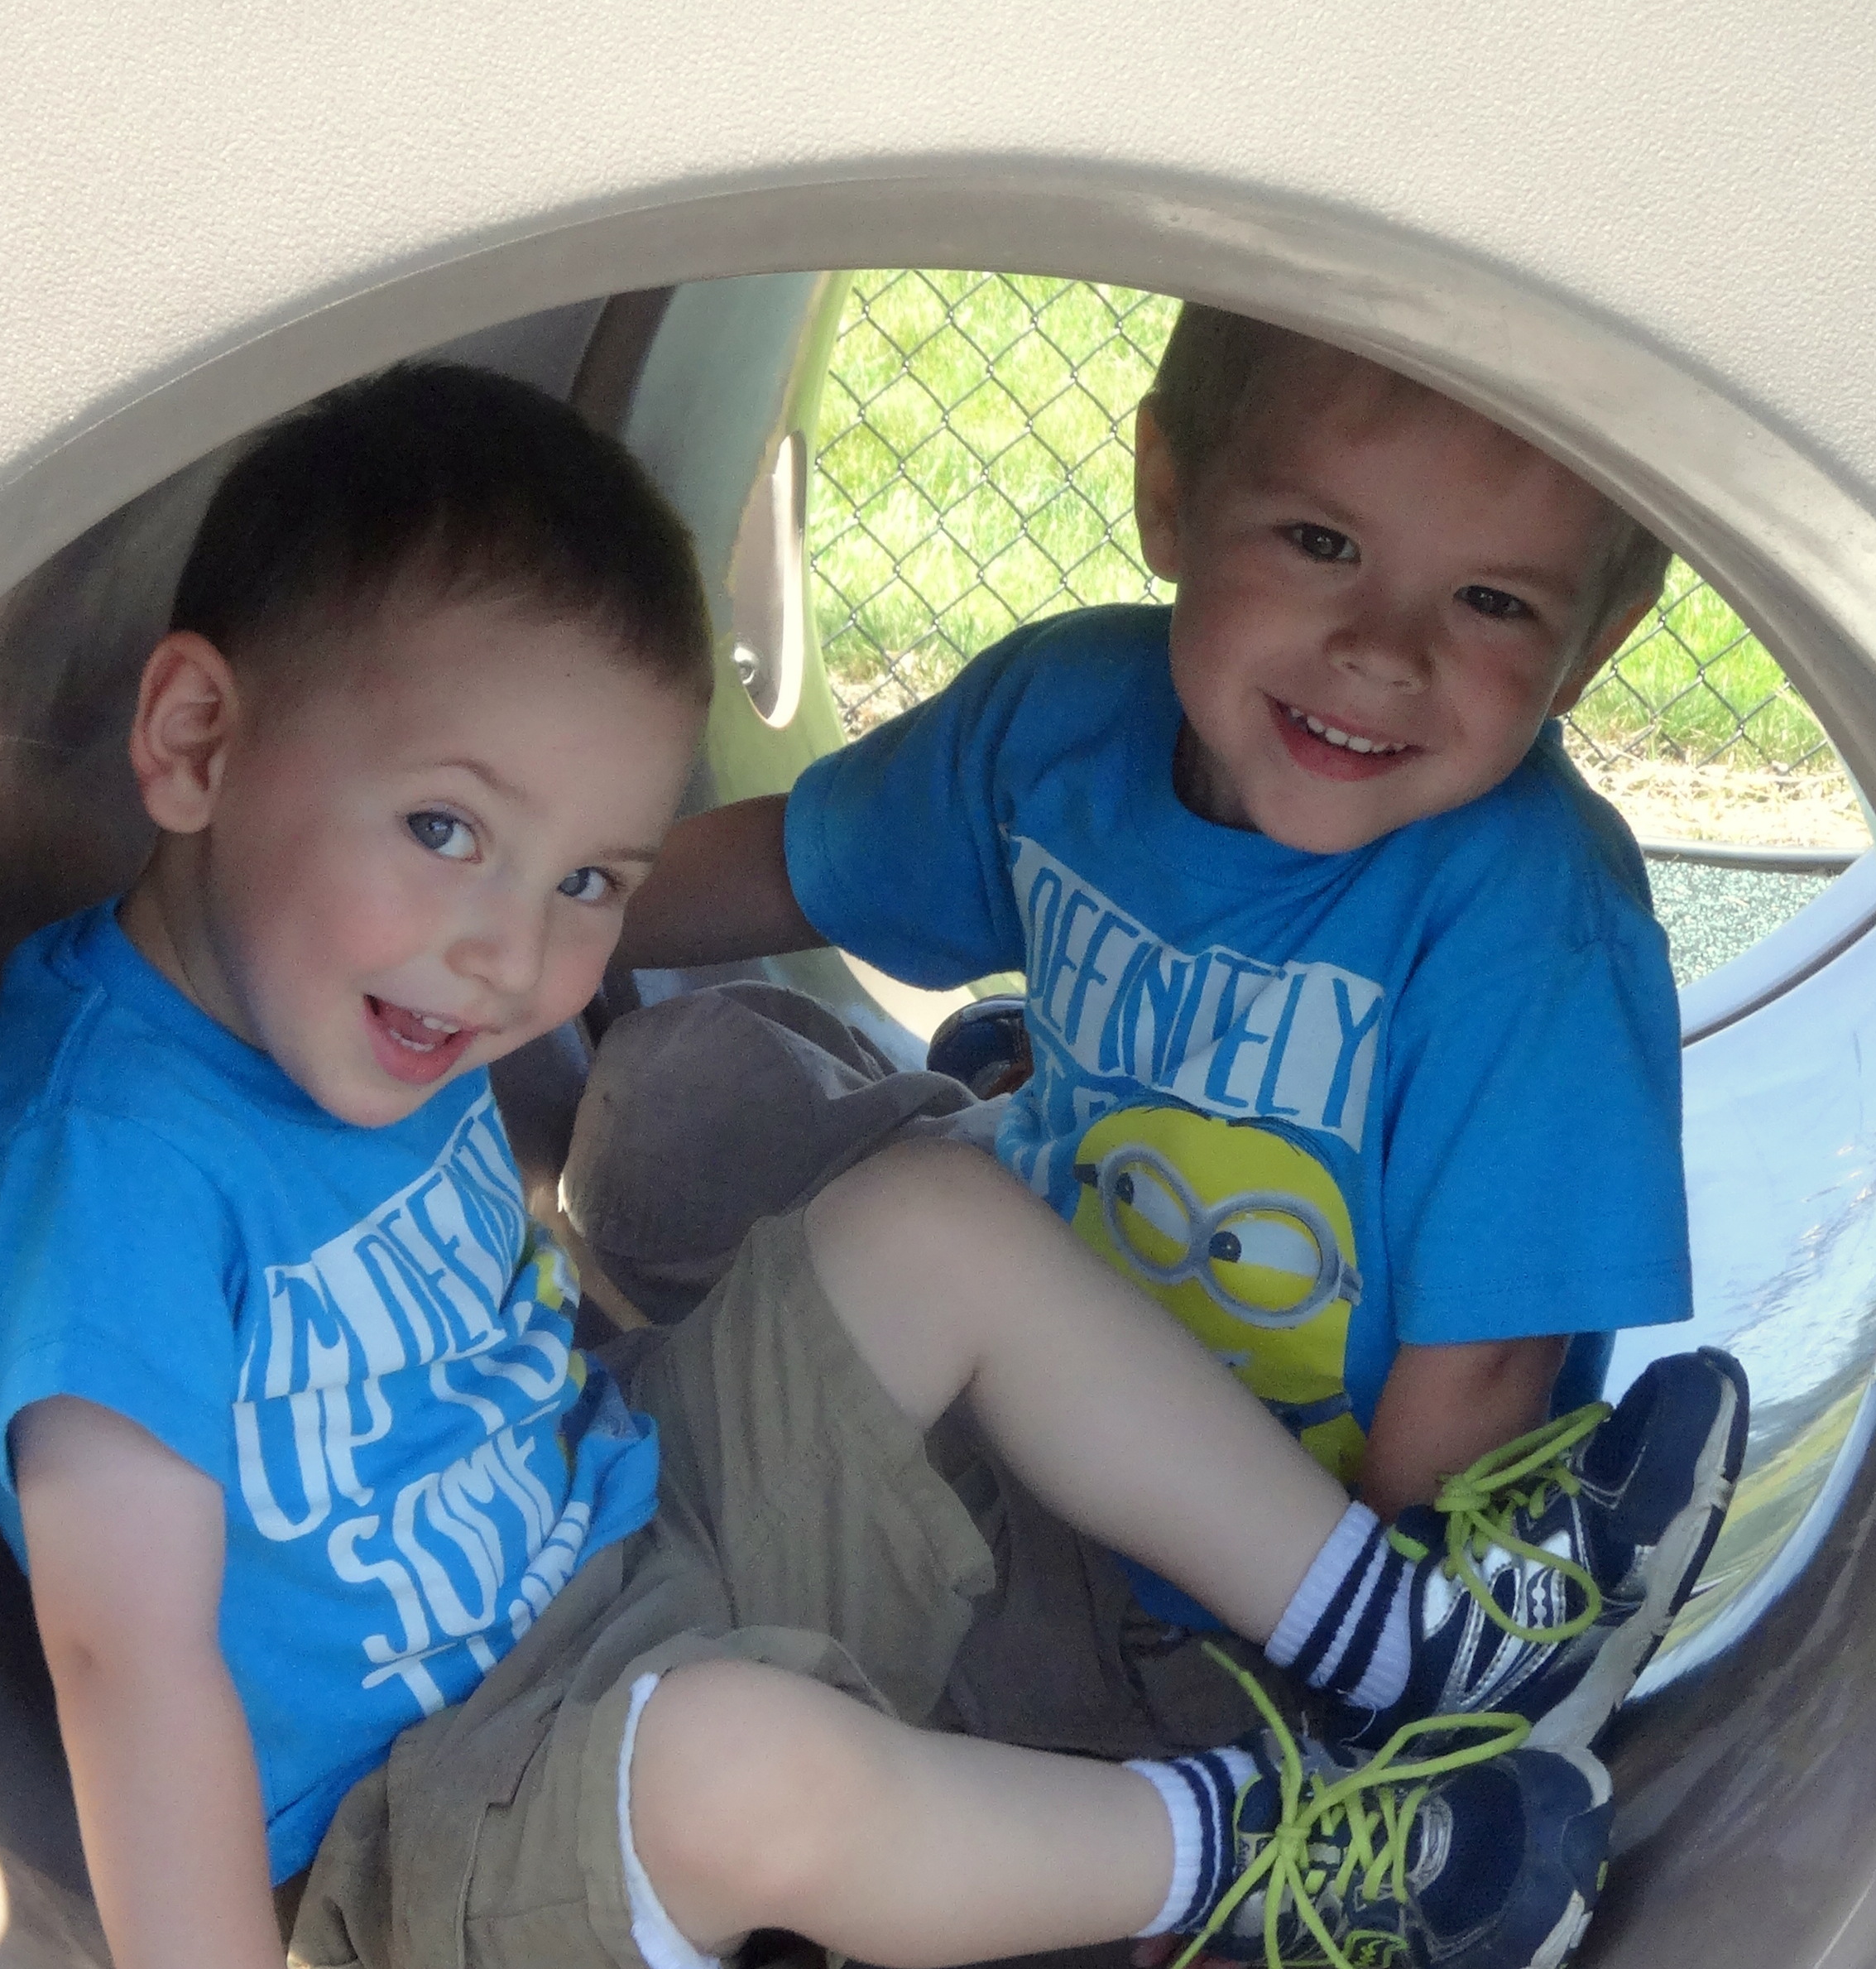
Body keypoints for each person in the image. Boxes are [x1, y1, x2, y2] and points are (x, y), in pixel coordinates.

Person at [0, 363, 1744, 1969]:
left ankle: (1421, 1653)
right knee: (737, 1763)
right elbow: (126, 1656)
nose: (511, 958)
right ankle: (1304, 1850)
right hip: (420, 1828)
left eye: (587, 882)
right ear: (193, 741)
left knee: (936, 1219)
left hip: (627, 1541)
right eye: (447, 831)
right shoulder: (109, 1171)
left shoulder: (360, 972)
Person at [588, 307, 1696, 1539]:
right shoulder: (1070, 716)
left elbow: (1489, 1365)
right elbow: (797, 867)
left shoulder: (1537, 928)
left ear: (1592, 644)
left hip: (1217, 1529)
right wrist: (540, 913)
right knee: (672, 1103)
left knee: (788, 1556)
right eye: (1322, 543)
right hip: (1040, 1246)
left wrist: (1363, 1622)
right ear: (1172, 499)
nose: (1385, 654)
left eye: (1491, 601)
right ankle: (1017, 1095)